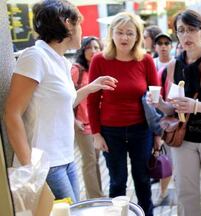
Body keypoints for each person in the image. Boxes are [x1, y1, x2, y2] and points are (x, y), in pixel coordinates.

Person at [4, 0, 117, 203]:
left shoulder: (62, 61)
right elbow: (12, 113)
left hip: (66, 158)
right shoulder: (35, 57)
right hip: (45, 163)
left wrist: (92, 86)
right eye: (79, 24)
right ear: (67, 24)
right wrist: (30, 167)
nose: (82, 31)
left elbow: (66, 103)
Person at [147, 9, 201, 216]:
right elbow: (172, 109)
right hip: (183, 139)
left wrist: (196, 106)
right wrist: (158, 104)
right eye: (181, 30)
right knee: (185, 194)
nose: (186, 36)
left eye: (191, 29)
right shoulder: (173, 66)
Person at [87, 12, 158, 216]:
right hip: (110, 132)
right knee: (117, 181)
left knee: (143, 180)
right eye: (119, 32)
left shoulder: (145, 60)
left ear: (137, 36)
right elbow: (92, 101)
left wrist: (158, 135)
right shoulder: (99, 60)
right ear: (112, 34)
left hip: (141, 130)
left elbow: (155, 101)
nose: (124, 37)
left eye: (129, 33)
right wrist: (96, 134)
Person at [71, 36, 104, 199]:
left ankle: (98, 194)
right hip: (82, 124)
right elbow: (67, 97)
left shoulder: (99, 69)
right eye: (89, 48)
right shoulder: (77, 70)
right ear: (83, 50)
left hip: (97, 124)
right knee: (90, 161)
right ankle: (95, 197)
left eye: (97, 48)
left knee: (95, 161)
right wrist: (73, 120)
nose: (93, 51)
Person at [151, 32, 173, 205]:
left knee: (171, 159)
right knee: (161, 159)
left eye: (167, 43)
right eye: (160, 43)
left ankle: (166, 192)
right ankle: (162, 192)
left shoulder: (177, 65)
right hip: (155, 119)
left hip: (174, 120)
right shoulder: (152, 64)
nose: (164, 46)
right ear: (155, 47)